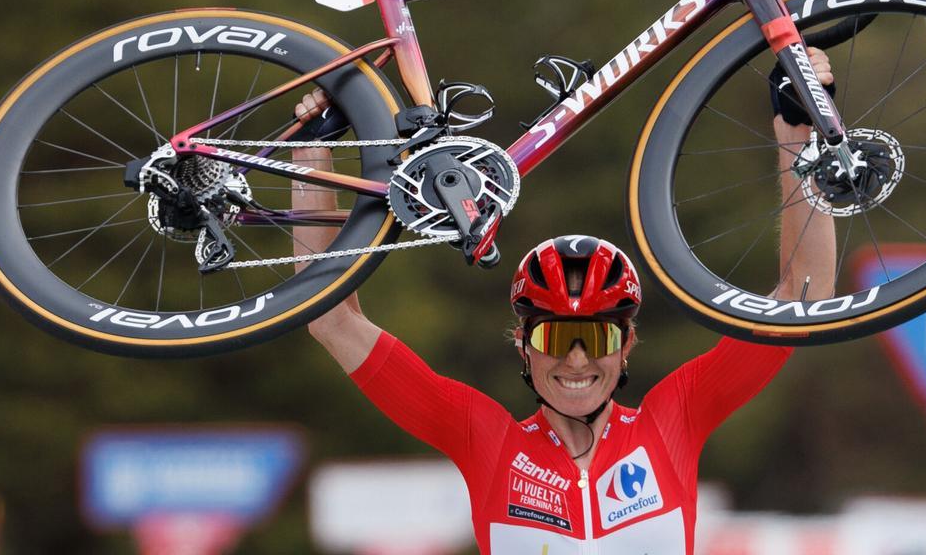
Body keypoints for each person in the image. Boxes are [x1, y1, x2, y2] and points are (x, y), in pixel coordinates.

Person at [291, 48, 837, 553]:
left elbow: (802, 294)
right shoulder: (483, 437)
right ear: (524, 348)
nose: (576, 360)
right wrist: (312, 148)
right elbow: (331, 317)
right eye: (555, 337)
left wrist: (798, 132)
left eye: (596, 337)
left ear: (626, 347)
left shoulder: (677, 417)